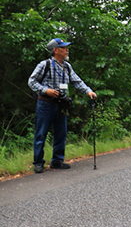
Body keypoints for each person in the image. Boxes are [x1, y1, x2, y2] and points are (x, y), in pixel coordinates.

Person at [28, 38, 97, 173]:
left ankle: (57, 161)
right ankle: (38, 163)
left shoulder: (67, 66)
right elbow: (31, 81)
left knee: (61, 133)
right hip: (45, 104)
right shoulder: (44, 64)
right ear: (55, 50)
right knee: (41, 134)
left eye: (66, 47)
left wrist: (89, 91)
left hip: (61, 105)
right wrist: (45, 90)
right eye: (64, 48)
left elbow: (77, 81)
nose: (67, 50)